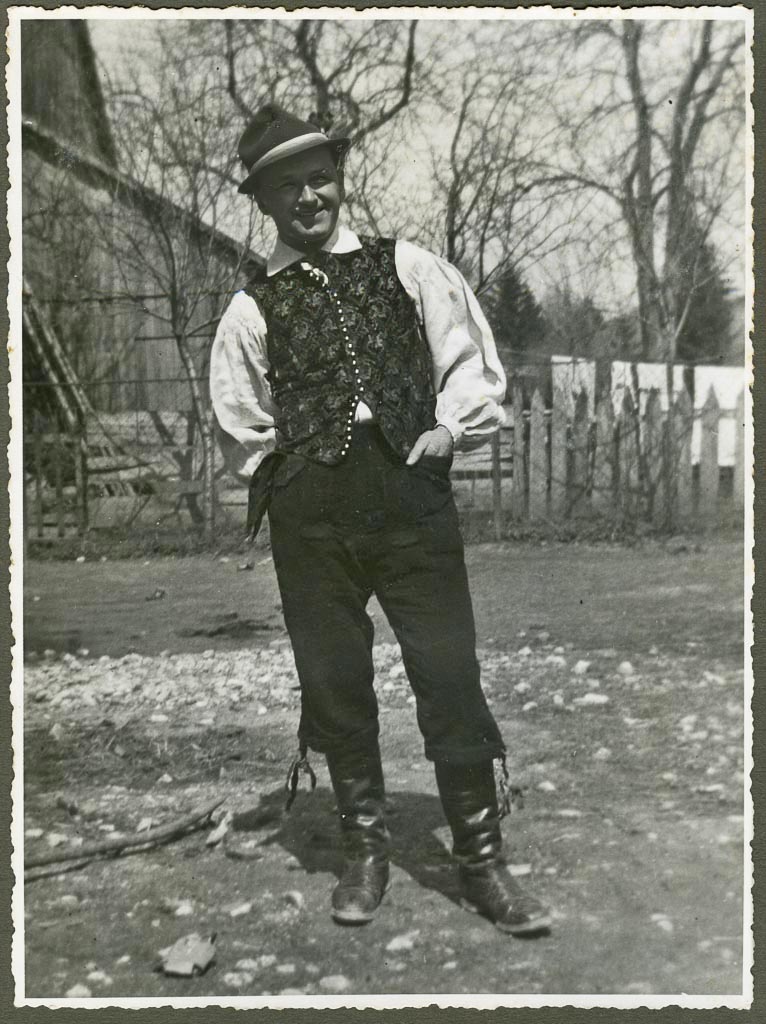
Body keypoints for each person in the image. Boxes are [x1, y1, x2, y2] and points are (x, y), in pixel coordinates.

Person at [210, 105, 550, 936]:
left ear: (339, 177)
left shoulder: (408, 265)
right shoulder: (251, 308)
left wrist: (449, 431)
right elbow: (240, 422)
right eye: (288, 187)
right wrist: (288, 480)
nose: (309, 197)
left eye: (319, 178)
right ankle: (364, 852)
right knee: (334, 680)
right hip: (313, 517)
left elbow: (469, 363)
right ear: (263, 201)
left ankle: (482, 862)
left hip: (409, 494)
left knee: (448, 672)